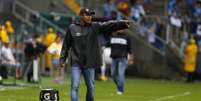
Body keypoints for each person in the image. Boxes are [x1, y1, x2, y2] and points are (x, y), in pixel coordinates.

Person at [59, 8, 130, 101]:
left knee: (90, 87)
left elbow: (108, 25)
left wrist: (122, 23)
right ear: (81, 16)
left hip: (89, 62)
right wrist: (62, 59)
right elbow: (66, 45)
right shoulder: (72, 28)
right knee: (74, 86)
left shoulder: (95, 26)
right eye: (87, 15)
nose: (90, 17)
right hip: (76, 62)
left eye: (91, 15)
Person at [110, 30, 133, 95]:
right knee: (113, 74)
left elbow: (130, 49)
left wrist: (131, 58)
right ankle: (120, 86)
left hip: (122, 58)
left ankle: (120, 90)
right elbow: (108, 44)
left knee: (120, 74)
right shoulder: (113, 36)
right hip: (114, 58)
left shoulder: (127, 37)